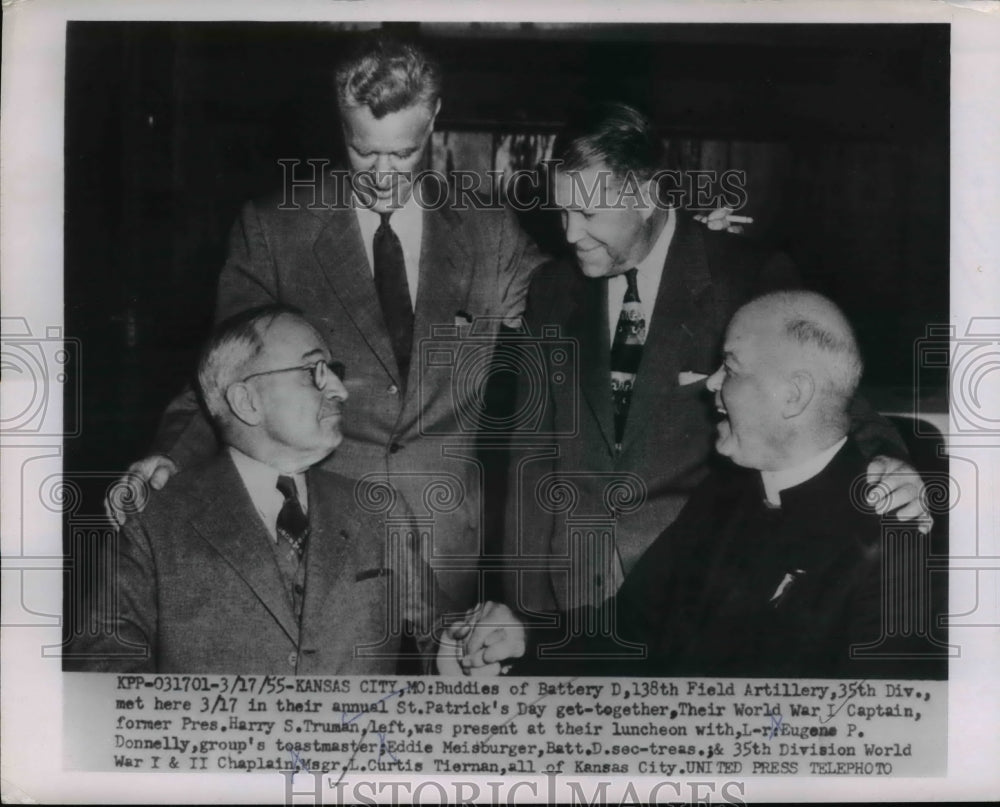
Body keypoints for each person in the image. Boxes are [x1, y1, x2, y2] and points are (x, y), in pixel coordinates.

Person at [108, 34, 547, 610]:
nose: (384, 174)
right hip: (323, 542)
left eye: (405, 153)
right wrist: (169, 456)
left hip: (447, 543)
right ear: (337, 119)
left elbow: (575, 302)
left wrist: (693, 241)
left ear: (435, 116)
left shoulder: (490, 231)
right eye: (365, 152)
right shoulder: (275, 231)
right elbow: (224, 376)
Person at [499, 102, 928, 615]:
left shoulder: (744, 277)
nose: (569, 234)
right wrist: (522, 603)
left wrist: (889, 462)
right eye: (562, 211)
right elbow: (530, 455)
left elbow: (829, 398)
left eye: (588, 214)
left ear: (648, 196)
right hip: (568, 595)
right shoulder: (552, 289)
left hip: (693, 594)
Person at [444, 291, 944, 679]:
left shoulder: (890, 546)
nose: (710, 383)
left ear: (793, 395)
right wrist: (527, 636)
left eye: (731, 367)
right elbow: (627, 628)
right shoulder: (724, 492)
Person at [70, 305, 445, 674]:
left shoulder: (379, 513)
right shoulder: (155, 520)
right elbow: (103, 672)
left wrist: (474, 651)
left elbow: (444, 639)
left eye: (333, 370)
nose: (340, 390)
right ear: (246, 402)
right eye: (312, 371)